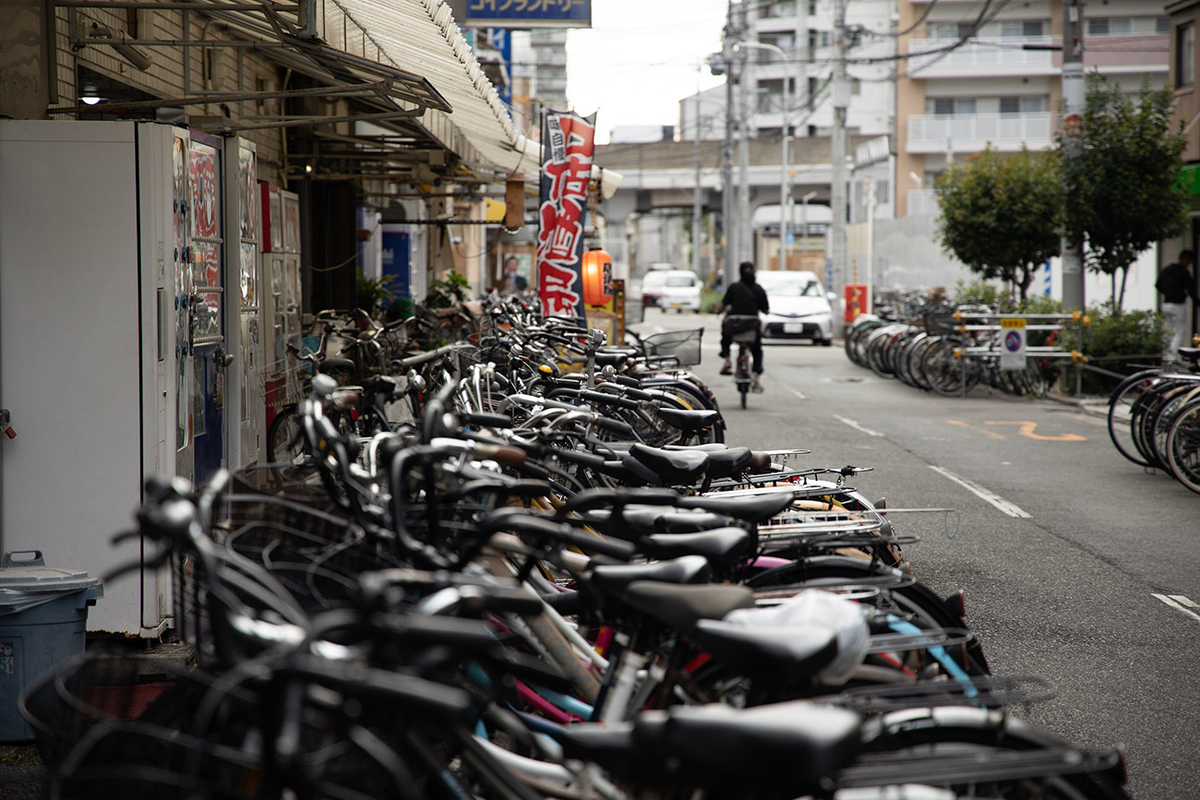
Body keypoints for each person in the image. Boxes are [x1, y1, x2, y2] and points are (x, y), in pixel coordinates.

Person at [717, 261, 770, 392]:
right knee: (757, 350)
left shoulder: (734, 287)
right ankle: (756, 379)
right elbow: (766, 310)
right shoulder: (759, 289)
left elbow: (722, 306)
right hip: (752, 326)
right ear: (754, 273)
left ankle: (727, 359)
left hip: (734, 326)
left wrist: (718, 311)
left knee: (725, 338)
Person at [1156, 249, 1199, 361]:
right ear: (1186, 259)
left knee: (1168, 331)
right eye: (1189, 261)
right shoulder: (1184, 272)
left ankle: (1165, 356)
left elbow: (1157, 285)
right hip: (1178, 305)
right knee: (1179, 331)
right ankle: (1171, 357)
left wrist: (1167, 292)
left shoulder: (1167, 269)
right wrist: (1198, 303)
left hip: (1166, 304)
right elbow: (1191, 291)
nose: (1189, 264)